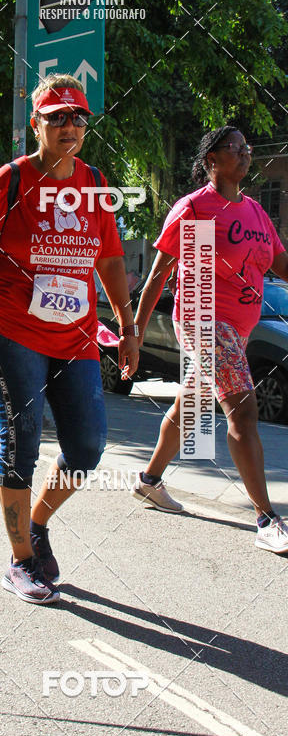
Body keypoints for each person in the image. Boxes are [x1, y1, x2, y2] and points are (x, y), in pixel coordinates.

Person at [0, 74, 139, 605]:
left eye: (77, 117)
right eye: (56, 116)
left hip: (76, 336)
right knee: (23, 444)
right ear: (36, 123)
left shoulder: (96, 184)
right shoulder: (10, 179)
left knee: (87, 445)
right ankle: (19, 561)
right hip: (12, 329)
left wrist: (126, 326)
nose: (68, 125)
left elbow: (109, 259)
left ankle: (36, 525)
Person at [133, 126, 288, 553]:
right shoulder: (195, 209)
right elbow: (158, 276)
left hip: (238, 328)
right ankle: (267, 517)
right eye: (233, 148)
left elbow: (281, 263)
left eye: (246, 148)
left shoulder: (256, 212)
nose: (244, 154)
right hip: (204, 320)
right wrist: (135, 333)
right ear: (211, 160)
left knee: (192, 405)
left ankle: (148, 481)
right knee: (244, 410)